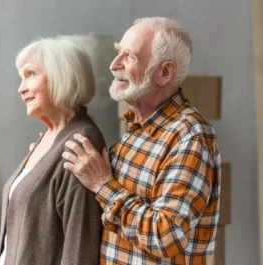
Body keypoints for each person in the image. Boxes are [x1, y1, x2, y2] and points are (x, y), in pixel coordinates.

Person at [61, 17, 222, 264]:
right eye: (119, 53)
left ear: (165, 72)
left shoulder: (190, 136)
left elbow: (166, 236)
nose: (114, 65)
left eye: (130, 56)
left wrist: (103, 184)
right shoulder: (136, 127)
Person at [0, 36, 106, 265]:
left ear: (60, 76)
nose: (21, 88)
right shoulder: (49, 137)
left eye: (30, 74)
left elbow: (80, 245)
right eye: (21, 78)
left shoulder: (81, 142)